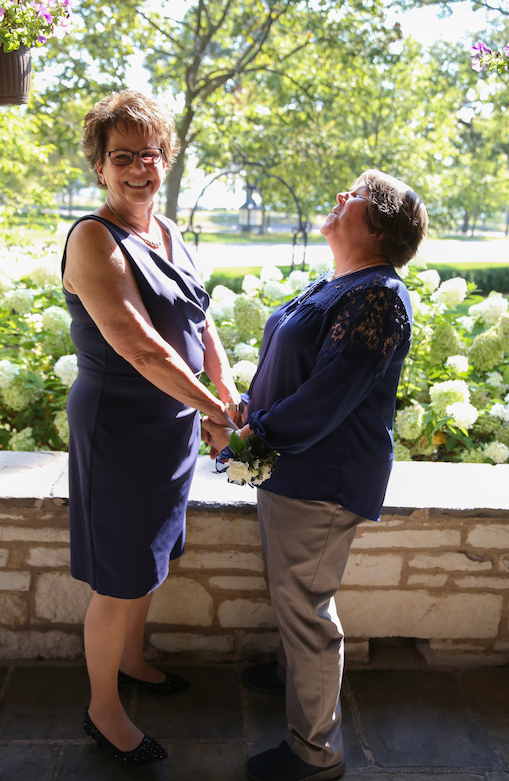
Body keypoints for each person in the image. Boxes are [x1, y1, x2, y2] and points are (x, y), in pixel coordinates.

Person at [203, 170, 428, 781]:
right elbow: (294, 365)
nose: (337, 198)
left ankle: (316, 753)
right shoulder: (340, 285)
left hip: (324, 479)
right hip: (293, 469)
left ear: (378, 225)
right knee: (291, 594)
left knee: (307, 610)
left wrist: (253, 438)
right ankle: (288, 676)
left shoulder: (378, 297)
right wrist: (252, 410)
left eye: (352, 196)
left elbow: (329, 397)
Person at [61, 89, 240, 765]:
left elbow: (199, 321)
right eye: (123, 156)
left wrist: (222, 388)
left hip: (170, 419)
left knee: (151, 556)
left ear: (166, 160)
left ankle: (132, 660)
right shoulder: (92, 238)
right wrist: (216, 413)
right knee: (120, 573)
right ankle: (102, 709)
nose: (140, 167)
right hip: (120, 426)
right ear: (100, 167)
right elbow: (142, 349)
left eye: (151, 154)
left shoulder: (166, 231)